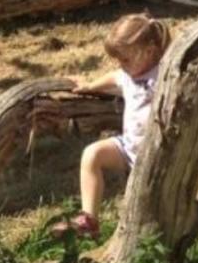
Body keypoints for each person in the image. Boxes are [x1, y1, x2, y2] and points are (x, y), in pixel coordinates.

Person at [61, 14, 171, 239]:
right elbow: (113, 77)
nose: (121, 65)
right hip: (129, 147)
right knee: (91, 155)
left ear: (149, 51)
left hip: (156, 154)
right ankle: (88, 220)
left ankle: (151, 237)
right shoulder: (126, 74)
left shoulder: (164, 73)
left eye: (126, 60)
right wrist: (91, 86)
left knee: (143, 201)